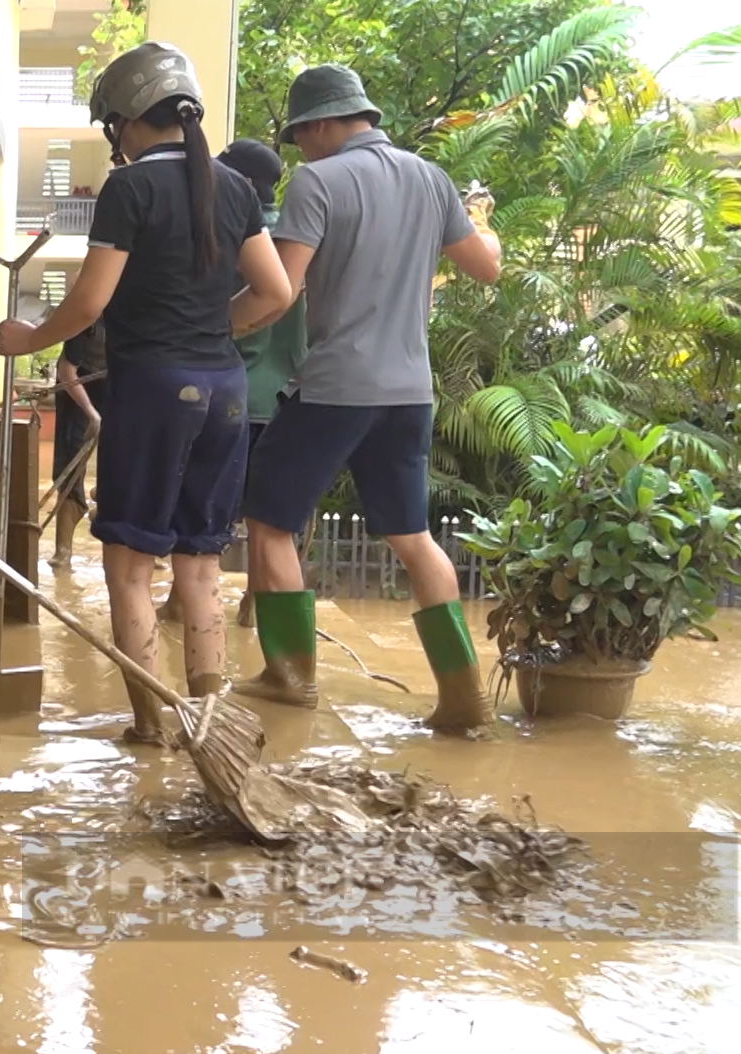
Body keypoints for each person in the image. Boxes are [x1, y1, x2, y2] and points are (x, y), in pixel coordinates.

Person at [0, 43, 293, 744]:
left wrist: (27, 340)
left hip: (153, 391)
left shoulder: (127, 189)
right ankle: (212, 728)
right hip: (224, 389)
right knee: (199, 562)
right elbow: (275, 292)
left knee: (128, 566)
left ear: (123, 122)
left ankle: (150, 726)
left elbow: (89, 304)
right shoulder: (235, 188)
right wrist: (208, 328)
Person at [235, 64, 501, 731]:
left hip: (333, 388)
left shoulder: (319, 181)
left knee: (268, 521)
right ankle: (462, 695)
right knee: (410, 536)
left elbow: (280, 291)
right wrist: (482, 224)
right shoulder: (429, 178)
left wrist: (207, 327)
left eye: (301, 136)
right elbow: (485, 267)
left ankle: (288, 677)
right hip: (409, 391)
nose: (300, 150)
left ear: (322, 124)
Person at [219, 137, 307, 628]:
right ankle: (255, 610)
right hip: (289, 396)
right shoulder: (299, 239)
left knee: (211, 515)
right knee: (270, 522)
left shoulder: (238, 240)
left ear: (243, 185)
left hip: (235, 393)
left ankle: (181, 605)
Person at [49, 317, 105, 568]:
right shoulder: (87, 317)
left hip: (114, 385)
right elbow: (66, 370)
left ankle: (107, 512)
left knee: (128, 461)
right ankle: (64, 550)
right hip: (75, 387)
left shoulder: (141, 314)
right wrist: (92, 413)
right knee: (71, 461)